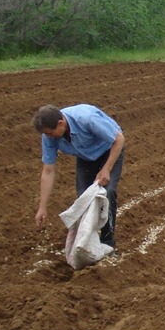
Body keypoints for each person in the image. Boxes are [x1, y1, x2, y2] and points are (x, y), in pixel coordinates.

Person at [33, 104, 125, 248]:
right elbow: (48, 171)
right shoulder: (48, 137)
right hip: (86, 157)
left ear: (60, 123)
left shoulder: (86, 119)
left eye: (50, 133)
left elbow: (119, 139)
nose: (48, 137)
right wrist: (42, 207)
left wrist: (106, 169)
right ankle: (88, 241)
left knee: (108, 192)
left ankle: (108, 242)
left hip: (109, 149)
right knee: (84, 198)